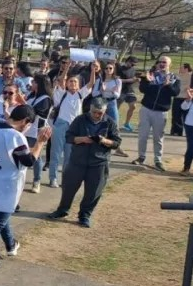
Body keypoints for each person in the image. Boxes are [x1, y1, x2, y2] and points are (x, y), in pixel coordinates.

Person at [0, 105, 51, 269]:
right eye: (28, 125)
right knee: (0, 219)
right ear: (25, 122)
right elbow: (28, 161)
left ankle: (11, 245)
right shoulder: (15, 136)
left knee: (1, 213)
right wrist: (40, 144)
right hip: (5, 183)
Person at [48, 97, 121, 228]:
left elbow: (116, 143)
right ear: (90, 109)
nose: (97, 115)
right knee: (68, 188)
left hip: (99, 162)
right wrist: (81, 139)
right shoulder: (80, 120)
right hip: (77, 161)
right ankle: (62, 210)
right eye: (94, 112)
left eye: (100, 113)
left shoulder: (110, 122)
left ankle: (84, 215)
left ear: (105, 111)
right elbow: (68, 137)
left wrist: (104, 141)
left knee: (93, 192)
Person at [134, 55, 181, 172]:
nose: (161, 64)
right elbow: (142, 89)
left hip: (161, 112)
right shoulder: (150, 75)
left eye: (164, 62)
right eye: (160, 62)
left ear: (169, 64)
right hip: (146, 109)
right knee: (143, 136)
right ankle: (141, 157)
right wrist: (148, 82)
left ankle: (158, 160)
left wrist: (168, 85)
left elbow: (175, 92)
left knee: (158, 138)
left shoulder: (174, 78)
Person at [47, 72, 91, 187]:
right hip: (60, 125)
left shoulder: (80, 94)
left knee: (69, 156)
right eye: (70, 81)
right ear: (66, 84)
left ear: (78, 85)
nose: (72, 83)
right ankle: (53, 178)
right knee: (55, 153)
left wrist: (93, 69)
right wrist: (67, 67)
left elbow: (91, 84)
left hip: (74, 128)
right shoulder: (62, 94)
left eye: (75, 82)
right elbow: (61, 79)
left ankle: (65, 179)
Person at [23, 74, 53, 193]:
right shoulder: (31, 95)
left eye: (34, 82)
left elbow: (36, 113)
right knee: (23, 153)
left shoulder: (46, 99)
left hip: (36, 131)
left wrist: (23, 104)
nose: (32, 84)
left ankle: (37, 181)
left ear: (40, 84)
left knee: (36, 156)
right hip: (25, 129)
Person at [119, 56, 139, 132]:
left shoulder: (133, 70)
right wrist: (130, 80)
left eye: (134, 65)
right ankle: (114, 123)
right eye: (132, 64)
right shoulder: (120, 69)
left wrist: (136, 80)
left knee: (133, 106)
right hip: (120, 90)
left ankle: (127, 123)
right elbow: (118, 80)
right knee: (116, 108)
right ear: (127, 61)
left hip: (130, 90)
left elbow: (133, 78)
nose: (133, 66)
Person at [181, 85, 193, 175]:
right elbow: (183, 107)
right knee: (191, 147)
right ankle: (186, 168)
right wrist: (188, 99)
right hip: (190, 125)